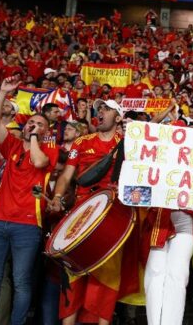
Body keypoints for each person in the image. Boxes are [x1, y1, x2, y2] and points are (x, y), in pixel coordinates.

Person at [0, 77, 58, 325]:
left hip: (27, 225)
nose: (33, 125)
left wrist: (35, 138)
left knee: (22, 281)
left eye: (39, 124)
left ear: (47, 132)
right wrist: (2, 92)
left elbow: (38, 162)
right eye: (30, 123)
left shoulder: (50, 150)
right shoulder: (11, 145)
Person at [48, 99, 131, 325]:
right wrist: (57, 197)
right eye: (99, 109)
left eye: (107, 109)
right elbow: (67, 175)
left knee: (106, 277)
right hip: (81, 212)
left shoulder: (128, 144)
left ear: (118, 117)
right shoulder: (82, 142)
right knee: (74, 274)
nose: (100, 112)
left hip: (112, 215)